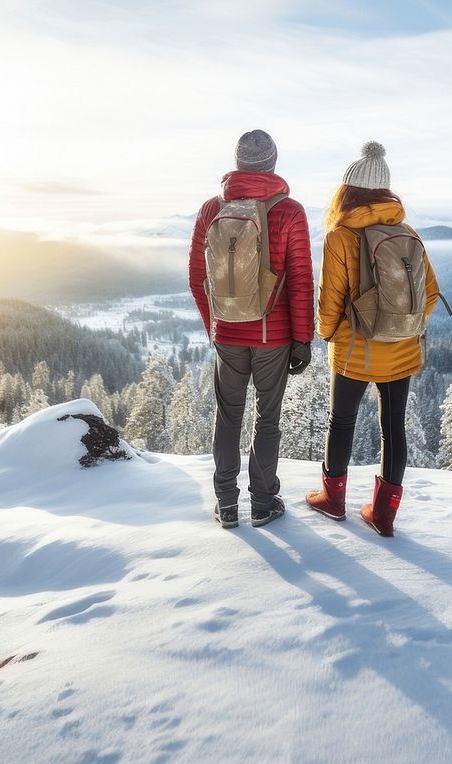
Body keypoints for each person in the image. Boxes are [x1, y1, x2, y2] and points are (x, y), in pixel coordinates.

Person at [306, 141, 442, 537]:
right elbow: (430, 293)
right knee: (393, 427)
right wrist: (402, 325)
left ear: (347, 191)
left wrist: (329, 334)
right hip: (401, 349)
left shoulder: (340, 235)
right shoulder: (407, 232)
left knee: (341, 422)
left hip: (355, 348)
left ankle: (333, 500)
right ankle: (383, 515)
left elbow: (330, 298)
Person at [188, 129, 314, 528]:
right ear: (273, 164)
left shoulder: (212, 209)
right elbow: (299, 280)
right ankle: (263, 502)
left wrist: (216, 325)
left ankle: (226, 503)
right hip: (272, 336)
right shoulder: (289, 211)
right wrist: (302, 340)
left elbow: (197, 276)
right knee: (268, 418)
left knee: (228, 417)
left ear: (238, 162)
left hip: (228, 334)